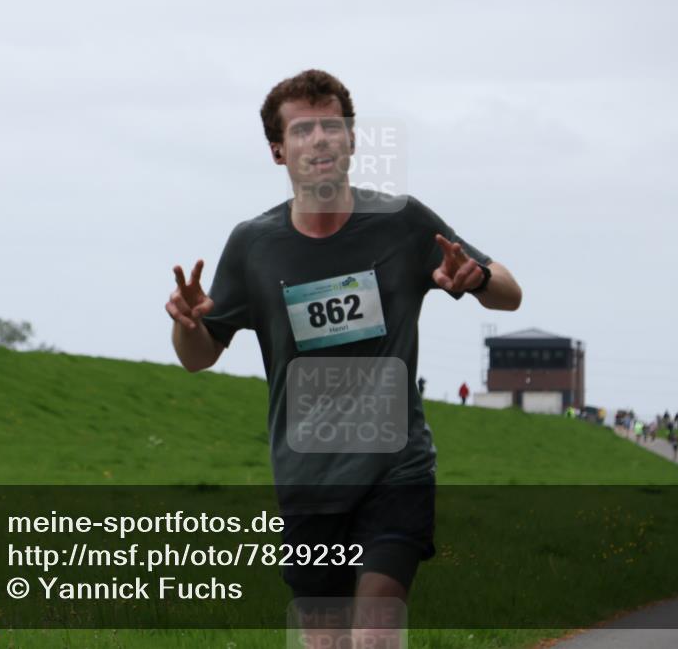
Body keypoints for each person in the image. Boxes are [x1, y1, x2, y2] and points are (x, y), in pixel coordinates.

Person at [165, 69, 522, 644]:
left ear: (352, 140)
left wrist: (476, 278)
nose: (321, 140)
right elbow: (198, 357)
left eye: (332, 126)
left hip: (396, 469)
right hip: (308, 477)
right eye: (303, 130)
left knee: (374, 634)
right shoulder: (253, 245)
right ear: (279, 151)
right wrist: (188, 325)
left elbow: (510, 292)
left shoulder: (402, 222)